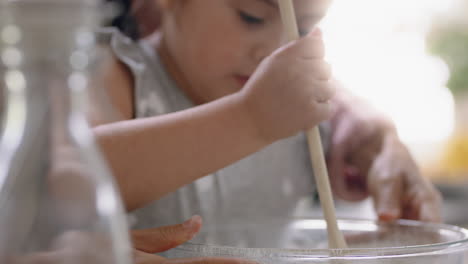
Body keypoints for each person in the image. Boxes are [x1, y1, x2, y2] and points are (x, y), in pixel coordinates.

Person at [93, 0, 441, 231]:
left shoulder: (297, 102)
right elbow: (73, 177)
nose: (276, 50)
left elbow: (358, 127)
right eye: (251, 16)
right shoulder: (113, 78)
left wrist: (381, 145)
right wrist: (250, 120)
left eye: (303, 29)